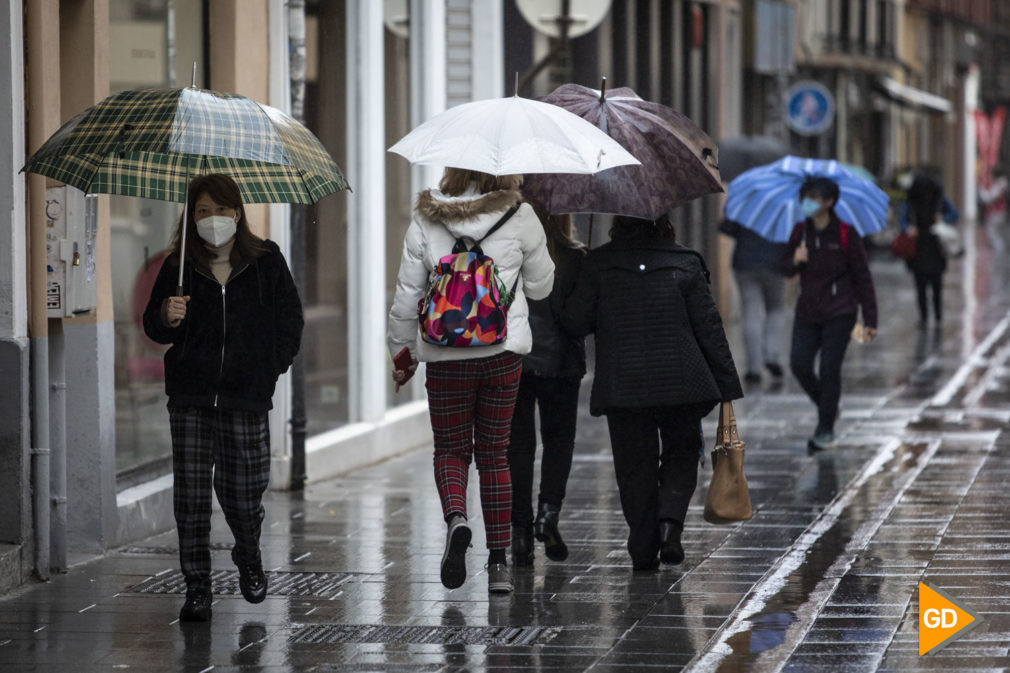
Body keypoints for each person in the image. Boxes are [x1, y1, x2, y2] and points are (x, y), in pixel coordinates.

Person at [142, 174, 304, 622]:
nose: (212, 220)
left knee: (243, 492)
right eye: (202, 211)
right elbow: (153, 329)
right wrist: (165, 315)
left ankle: (248, 553)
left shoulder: (266, 260)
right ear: (190, 217)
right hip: (190, 396)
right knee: (191, 497)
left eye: (221, 210)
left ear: (238, 213)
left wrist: (269, 368)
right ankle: (197, 587)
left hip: (246, 397)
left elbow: (290, 320)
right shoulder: (180, 266)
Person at [387, 168, 554, 594]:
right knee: (495, 455)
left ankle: (457, 519)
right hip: (500, 354)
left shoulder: (427, 217)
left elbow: (407, 295)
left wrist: (401, 353)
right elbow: (541, 287)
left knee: (450, 449)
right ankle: (498, 565)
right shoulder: (521, 215)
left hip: (445, 356)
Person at [561, 214, 742, 571]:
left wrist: (579, 276)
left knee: (634, 466)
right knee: (682, 453)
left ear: (618, 223)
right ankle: (669, 524)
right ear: (664, 222)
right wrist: (727, 387)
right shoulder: (686, 262)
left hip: (623, 386)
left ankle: (643, 547)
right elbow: (709, 328)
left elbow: (574, 322)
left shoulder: (599, 263)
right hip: (681, 382)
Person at [507, 207, 586, 567]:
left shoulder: (511, 252)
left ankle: (520, 533)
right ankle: (548, 514)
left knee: (518, 447)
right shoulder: (575, 259)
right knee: (558, 442)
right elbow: (580, 320)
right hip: (561, 365)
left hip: (516, 361)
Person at [779, 177, 878, 451]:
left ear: (829, 202)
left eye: (814, 197)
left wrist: (870, 320)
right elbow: (784, 267)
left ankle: (825, 429)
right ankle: (829, 404)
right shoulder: (801, 231)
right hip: (808, 310)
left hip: (840, 311)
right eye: (805, 197)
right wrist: (794, 261)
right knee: (799, 365)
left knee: (829, 368)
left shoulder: (846, 234)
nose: (808, 203)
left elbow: (863, 277)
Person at [718, 219, 787, 384]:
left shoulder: (743, 204)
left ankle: (754, 368)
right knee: (775, 309)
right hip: (775, 262)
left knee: (751, 311)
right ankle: (772, 355)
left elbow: (726, 228)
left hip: (745, 262)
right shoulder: (781, 204)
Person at [902, 175, 957, 327]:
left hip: (935, 245)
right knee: (921, 285)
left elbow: (953, 214)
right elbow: (903, 221)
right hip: (919, 247)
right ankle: (925, 317)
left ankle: (937, 317)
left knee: (935, 284)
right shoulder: (912, 201)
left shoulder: (939, 199)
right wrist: (909, 228)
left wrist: (943, 219)